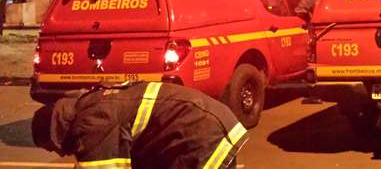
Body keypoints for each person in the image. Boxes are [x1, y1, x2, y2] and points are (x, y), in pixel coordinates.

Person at [32, 81, 247, 169]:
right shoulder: (91, 105)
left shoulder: (91, 124)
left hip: (199, 135)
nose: (59, 153)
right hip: (206, 125)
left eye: (51, 147)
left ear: (55, 131)